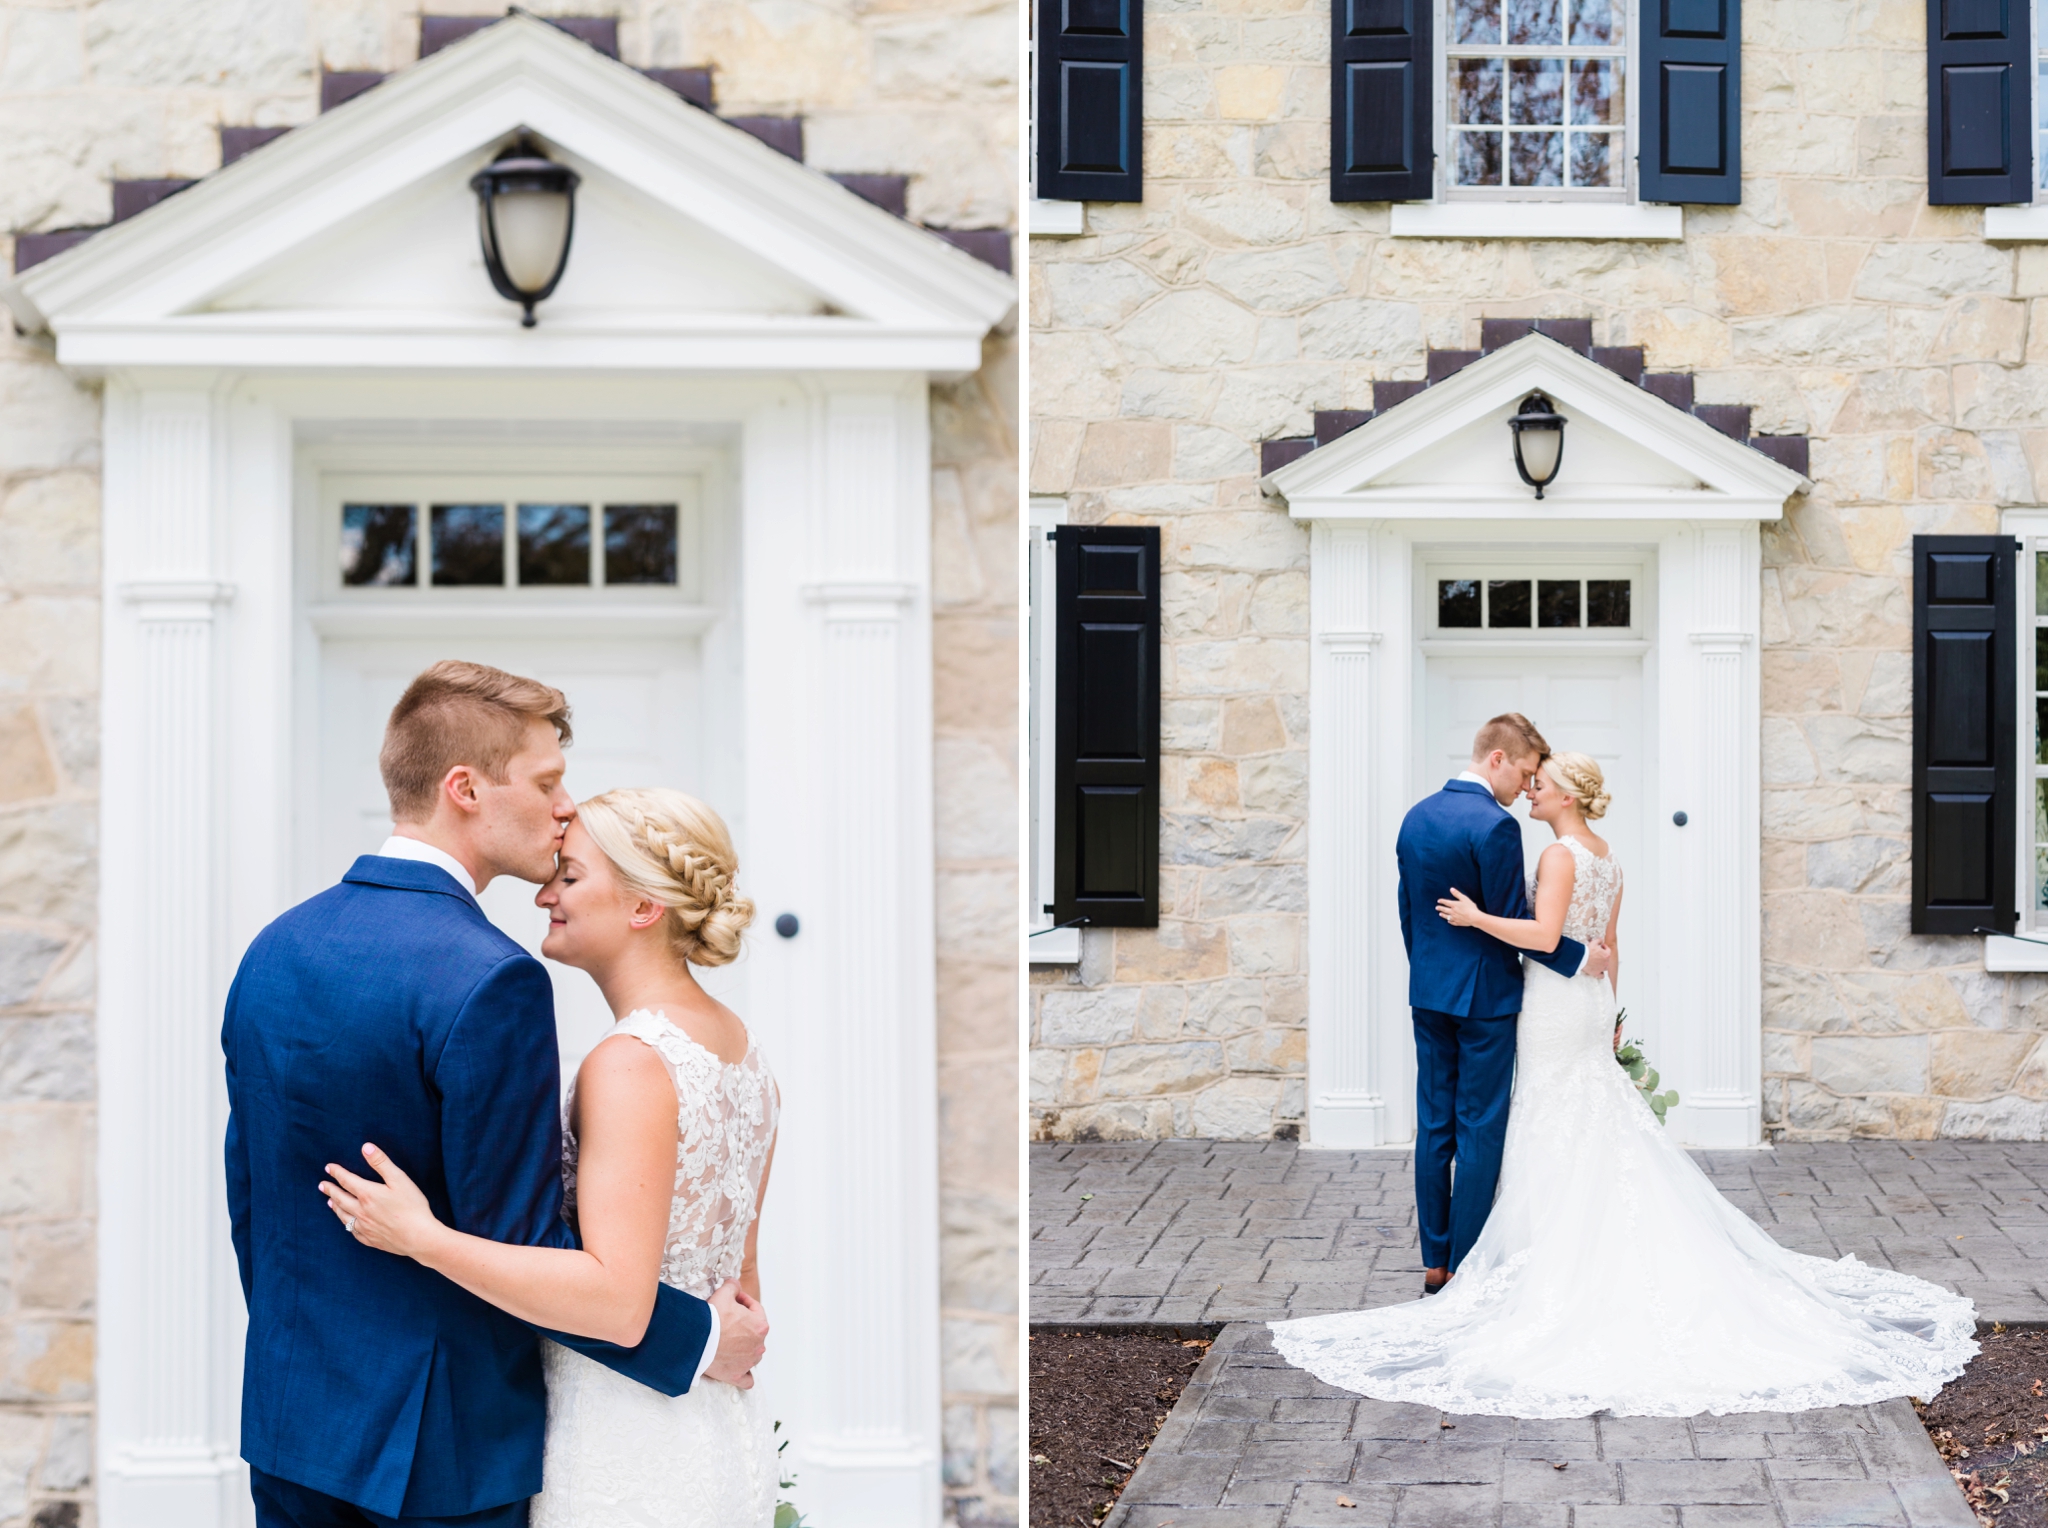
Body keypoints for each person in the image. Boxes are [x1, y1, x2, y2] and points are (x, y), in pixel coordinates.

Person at [1269, 748, 1978, 1417]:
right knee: (1585, 1116)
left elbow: (1544, 939)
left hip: (1550, 1003)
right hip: (1588, 1005)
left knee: (1547, 1116)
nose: (1531, 790)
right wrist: (1613, 1014)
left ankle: (1527, 1259)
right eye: (1531, 779)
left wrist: (1477, 916)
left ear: (1568, 794)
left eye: (1542, 784)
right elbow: (1612, 946)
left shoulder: (1553, 853)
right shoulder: (1609, 858)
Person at [223, 662, 769, 1527]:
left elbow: (254, 1201)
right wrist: (699, 1341)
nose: (563, 808)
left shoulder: (274, 949)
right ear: (465, 788)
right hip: (443, 1452)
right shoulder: (490, 979)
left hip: (294, 1425)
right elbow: (517, 1238)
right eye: (548, 781)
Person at [327, 787, 782, 1526]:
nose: (543, 894)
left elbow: (612, 1298)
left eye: (570, 877)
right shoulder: (743, 1050)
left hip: (625, 1446)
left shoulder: (631, 1064)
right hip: (717, 1435)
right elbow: (744, 1291)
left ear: (644, 907)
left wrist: (424, 1238)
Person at [1392, 713, 1611, 1296]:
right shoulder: (1496, 826)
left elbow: (1409, 914)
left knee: (1434, 1124)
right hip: (1486, 1001)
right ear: (1497, 759)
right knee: (1481, 1126)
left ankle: (1433, 1261)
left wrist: (1429, 975)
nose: (1525, 787)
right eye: (1524, 772)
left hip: (1429, 992)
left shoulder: (1416, 817)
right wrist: (1582, 958)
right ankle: (1464, 1263)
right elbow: (1519, 921)